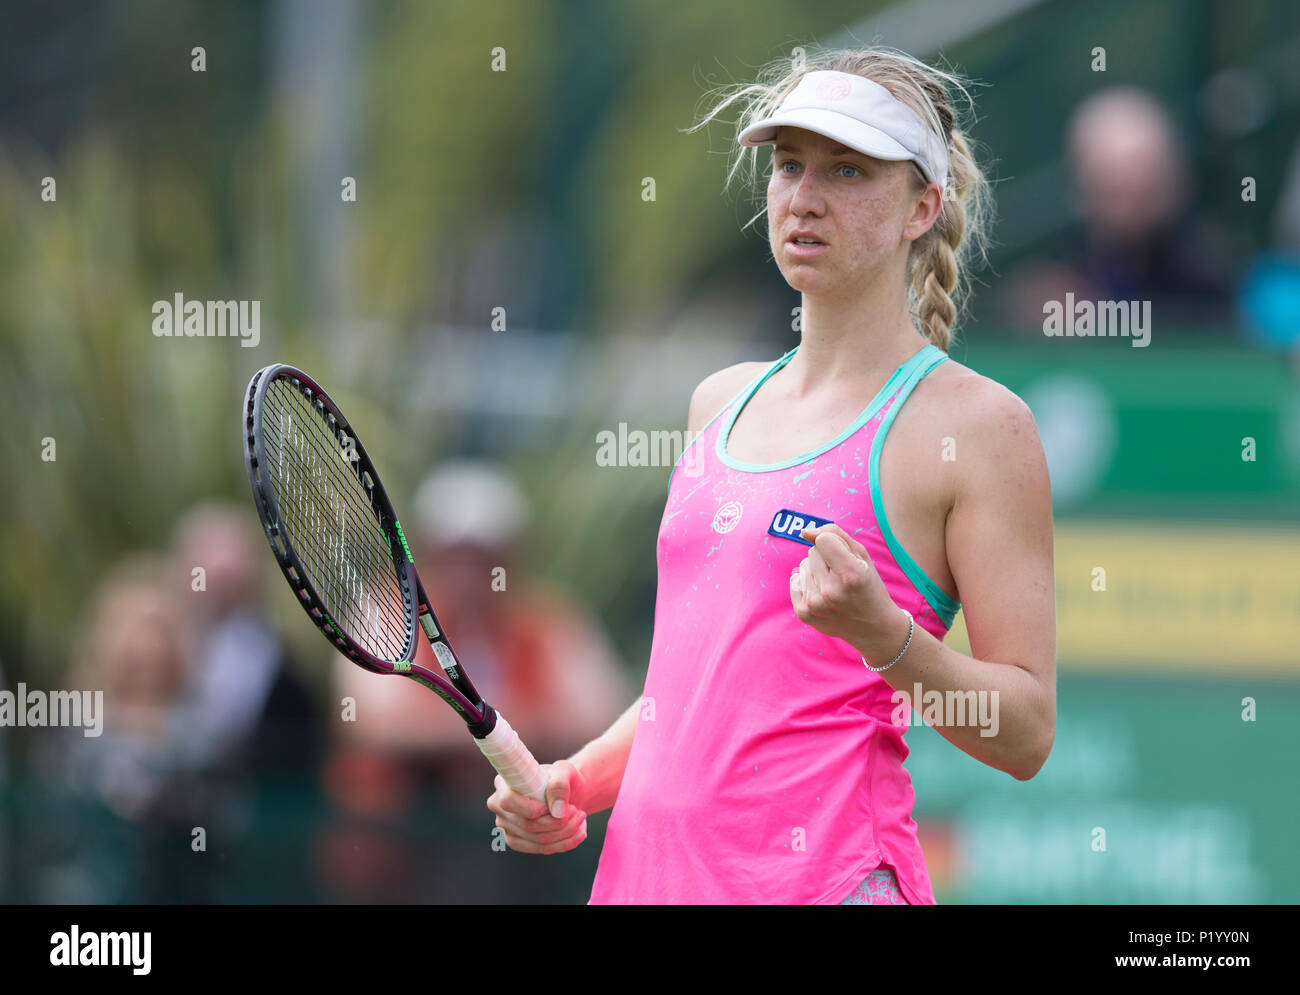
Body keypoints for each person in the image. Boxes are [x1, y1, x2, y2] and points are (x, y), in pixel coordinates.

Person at [487, 46, 1057, 905]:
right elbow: (690, 694)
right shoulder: (716, 402)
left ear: (922, 208)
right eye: (789, 164)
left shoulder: (979, 428)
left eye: (849, 170)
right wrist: (577, 780)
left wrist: (884, 636)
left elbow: (1025, 733)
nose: (805, 195)